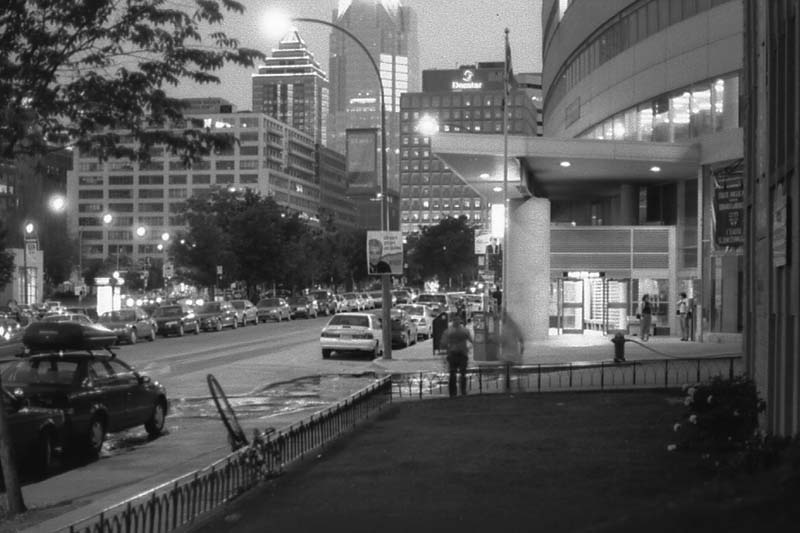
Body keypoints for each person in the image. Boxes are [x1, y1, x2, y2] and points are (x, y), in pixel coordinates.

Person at [440, 316, 473, 397]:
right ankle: (463, 391)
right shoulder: (465, 331)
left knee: (453, 373)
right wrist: (468, 348)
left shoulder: (448, 331)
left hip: (452, 354)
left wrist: (446, 353)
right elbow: (472, 341)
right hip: (462, 354)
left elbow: (443, 343)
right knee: (462, 374)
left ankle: (453, 393)